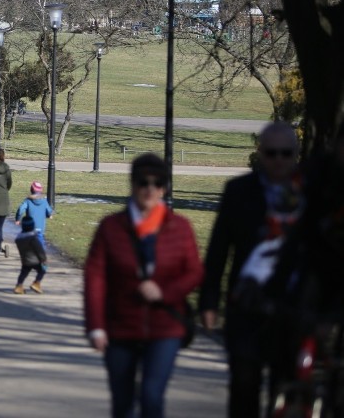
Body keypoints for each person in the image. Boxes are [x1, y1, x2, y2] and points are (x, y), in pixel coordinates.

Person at [84, 153, 203, 418]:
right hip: (120, 326)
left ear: (164, 187)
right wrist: (96, 327)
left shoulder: (179, 227)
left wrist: (165, 292)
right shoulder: (111, 227)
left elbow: (194, 272)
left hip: (165, 327)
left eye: (157, 182)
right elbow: (95, 277)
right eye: (143, 182)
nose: (150, 189)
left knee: (152, 397)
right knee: (122, 403)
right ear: (133, 184)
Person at [199, 121, 301, 418]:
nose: (279, 160)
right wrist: (209, 301)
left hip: (293, 306)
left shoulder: (309, 193)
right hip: (246, 303)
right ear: (261, 153)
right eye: (272, 153)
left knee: (286, 387)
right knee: (245, 385)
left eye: (286, 153)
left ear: (295, 154)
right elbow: (219, 249)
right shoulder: (239, 191)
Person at [14, 216, 48, 294]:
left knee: (23, 273)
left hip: (25, 260)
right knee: (42, 270)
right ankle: (36, 283)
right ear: (32, 226)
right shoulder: (33, 238)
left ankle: (18, 286)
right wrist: (43, 259)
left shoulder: (19, 239)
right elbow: (39, 250)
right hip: (35, 260)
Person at [15, 181, 53, 246]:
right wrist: (49, 215)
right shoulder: (44, 201)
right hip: (40, 228)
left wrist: (18, 219)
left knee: (26, 242)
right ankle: (41, 254)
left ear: (31, 190)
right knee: (40, 243)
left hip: (30, 227)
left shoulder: (28, 200)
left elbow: (21, 209)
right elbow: (49, 211)